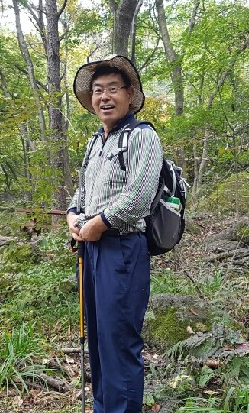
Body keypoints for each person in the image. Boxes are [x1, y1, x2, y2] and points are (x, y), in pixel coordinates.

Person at [67, 55, 163, 413]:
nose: (104, 97)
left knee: (119, 340)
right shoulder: (96, 142)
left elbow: (139, 195)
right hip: (91, 250)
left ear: (129, 94)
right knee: (98, 339)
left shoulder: (142, 136)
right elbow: (81, 193)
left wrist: (99, 223)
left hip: (122, 249)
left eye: (112, 89)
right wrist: (73, 216)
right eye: (97, 91)